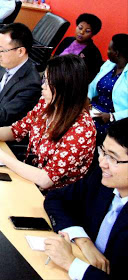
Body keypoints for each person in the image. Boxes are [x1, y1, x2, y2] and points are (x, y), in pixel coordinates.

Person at [0, 55, 96, 190]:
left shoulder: (82, 131)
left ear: (65, 87)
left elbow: (45, 179)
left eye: (48, 82)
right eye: (44, 79)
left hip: (49, 195)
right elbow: (17, 130)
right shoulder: (46, 103)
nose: (43, 86)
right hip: (27, 174)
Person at [43, 118, 128, 280]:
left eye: (113, 158)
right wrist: (83, 240)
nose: (102, 162)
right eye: (103, 152)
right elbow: (55, 198)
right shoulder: (104, 178)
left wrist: (71, 263)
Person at [89, 34, 128, 143]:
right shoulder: (109, 65)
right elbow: (92, 86)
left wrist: (112, 116)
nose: (107, 52)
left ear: (117, 53)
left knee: (86, 127)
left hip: (117, 119)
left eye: (109, 49)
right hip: (96, 110)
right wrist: (87, 98)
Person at [54, 13, 103, 83]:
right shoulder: (67, 40)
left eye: (87, 31)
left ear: (93, 34)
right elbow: (55, 58)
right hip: (54, 75)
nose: (81, 32)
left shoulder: (93, 53)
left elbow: (89, 77)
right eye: (80, 28)